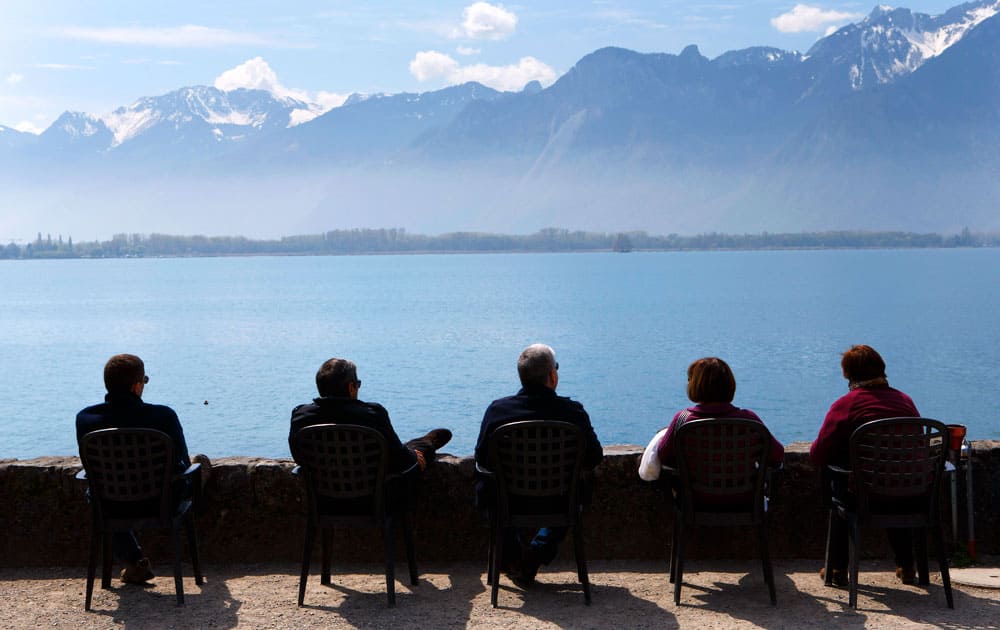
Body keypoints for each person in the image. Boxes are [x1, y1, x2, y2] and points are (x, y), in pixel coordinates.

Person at [474, 344, 604, 586]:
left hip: (508, 501)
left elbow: (482, 458)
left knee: (485, 484)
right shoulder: (572, 413)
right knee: (581, 485)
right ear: (552, 376)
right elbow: (594, 456)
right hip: (561, 500)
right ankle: (534, 555)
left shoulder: (498, 411)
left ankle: (513, 558)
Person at [76, 354, 200, 585]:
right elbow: (181, 462)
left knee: (93, 492)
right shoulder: (163, 416)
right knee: (194, 471)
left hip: (110, 506)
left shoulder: (86, 419)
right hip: (161, 503)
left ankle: (134, 560)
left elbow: (89, 469)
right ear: (137, 385)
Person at [810, 344, 921, 587]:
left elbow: (818, 454)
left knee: (838, 483)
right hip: (911, 494)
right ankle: (908, 564)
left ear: (848, 374)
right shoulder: (905, 401)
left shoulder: (847, 404)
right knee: (892, 480)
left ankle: (838, 568)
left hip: (864, 497)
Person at [288, 357, 452, 498]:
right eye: (357, 384)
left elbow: (299, 458)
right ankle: (425, 443)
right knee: (414, 449)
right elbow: (403, 463)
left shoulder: (300, 417)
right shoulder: (372, 415)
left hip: (323, 501)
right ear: (351, 387)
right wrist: (415, 459)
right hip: (375, 499)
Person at [638, 357, 784, 497]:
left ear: (695, 385)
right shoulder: (750, 420)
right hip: (744, 501)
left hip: (694, 502)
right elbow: (777, 455)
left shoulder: (682, 420)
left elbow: (665, 457)